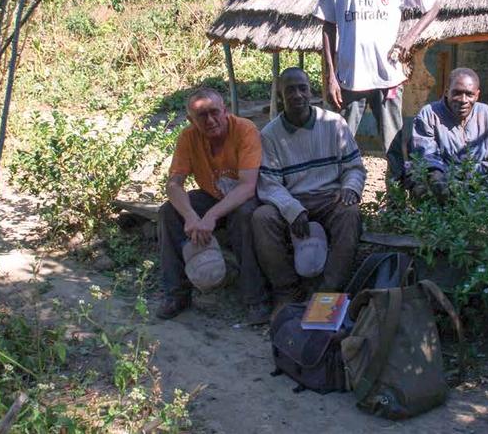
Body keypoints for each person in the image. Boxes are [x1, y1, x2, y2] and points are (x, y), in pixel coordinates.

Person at [314, 0, 440, 154]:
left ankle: (395, 194)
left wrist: (408, 39)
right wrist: (331, 75)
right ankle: (339, 193)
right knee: (339, 146)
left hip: (388, 78)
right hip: (349, 79)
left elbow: (432, 6)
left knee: (394, 147)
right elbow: (328, 26)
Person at [252, 67, 366, 308]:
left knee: (350, 213)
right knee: (262, 217)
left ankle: (328, 291)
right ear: (280, 97)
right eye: (289, 90)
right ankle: (287, 290)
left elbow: (354, 167)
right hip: (293, 199)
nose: (297, 95)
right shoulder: (270, 134)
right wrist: (292, 209)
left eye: (302, 88)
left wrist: (350, 187)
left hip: (329, 198)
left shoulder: (334, 124)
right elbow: (270, 183)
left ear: (310, 91)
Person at [157, 87, 270, 324]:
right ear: (191, 120)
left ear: (225, 110)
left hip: (245, 198)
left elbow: (248, 186)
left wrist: (210, 216)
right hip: (212, 196)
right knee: (168, 212)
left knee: (244, 215)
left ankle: (255, 298)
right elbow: (174, 184)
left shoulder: (245, 130)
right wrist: (190, 215)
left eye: (214, 112)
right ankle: (176, 293)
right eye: (201, 116)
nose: (210, 120)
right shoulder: (188, 137)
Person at [388, 67, 488, 195]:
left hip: (480, 179)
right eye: (457, 93)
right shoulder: (429, 114)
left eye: (469, 94)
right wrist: (439, 180)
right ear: (446, 92)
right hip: (442, 178)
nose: (463, 100)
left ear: (477, 95)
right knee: (421, 181)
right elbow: (427, 156)